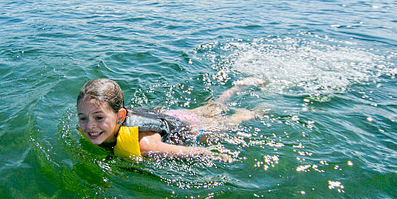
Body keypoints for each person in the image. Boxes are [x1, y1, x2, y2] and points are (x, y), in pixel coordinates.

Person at [76, 78, 265, 161]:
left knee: (229, 123)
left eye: (98, 117)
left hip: (189, 127)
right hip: (172, 115)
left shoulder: (145, 145)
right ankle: (234, 89)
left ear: (120, 116)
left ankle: (258, 110)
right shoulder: (106, 125)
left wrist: (216, 155)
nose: (89, 126)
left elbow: (193, 151)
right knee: (212, 108)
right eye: (83, 118)